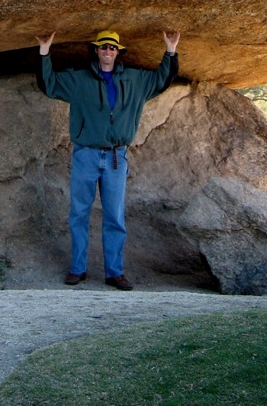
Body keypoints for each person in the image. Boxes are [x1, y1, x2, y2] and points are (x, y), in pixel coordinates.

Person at [35, 28, 180, 291]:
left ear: (118, 52)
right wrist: (45, 52)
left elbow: (162, 79)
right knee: (79, 213)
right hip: (86, 155)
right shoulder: (80, 80)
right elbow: (50, 85)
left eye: (112, 48)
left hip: (116, 156)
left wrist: (170, 51)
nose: (108, 52)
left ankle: (115, 272)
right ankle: (77, 269)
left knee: (114, 216)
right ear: (96, 50)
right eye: (103, 47)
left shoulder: (135, 80)